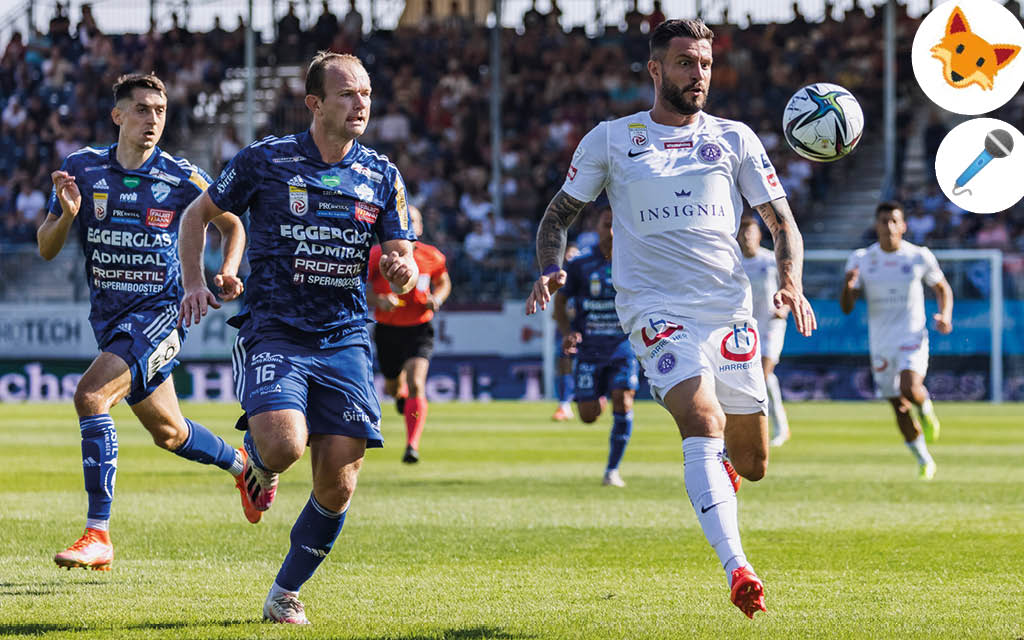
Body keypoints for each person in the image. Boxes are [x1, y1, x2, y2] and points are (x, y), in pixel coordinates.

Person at [525, 19, 818, 619]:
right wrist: (550, 268)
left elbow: (781, 222)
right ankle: (739, 569)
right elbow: (558, 216)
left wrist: (790, 279)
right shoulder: (611, 140)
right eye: (685, 62)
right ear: (656, 69)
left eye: (705, 63)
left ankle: (719, 480)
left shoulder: (735, 138)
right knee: (701, 419)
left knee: (753, 464)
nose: (698, 74)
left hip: (729, 311)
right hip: (655, 310)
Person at [178, 51, 418, 625]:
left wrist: (401, 268)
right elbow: (197, 216)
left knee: (339, 478)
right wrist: (194, 281)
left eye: (365, 93)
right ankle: (256, 462)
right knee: (285, 445)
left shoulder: (383, 174)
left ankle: (284, 591)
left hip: (346, 337)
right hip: (276, 331)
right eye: (347, 94)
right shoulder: (266, 160)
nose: (361, 103)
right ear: (314, 103)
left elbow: (400, 250)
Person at [38, 72, 247, 571]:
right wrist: (67, 215)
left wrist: (227, 270)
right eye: (141, 109)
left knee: (90, 396)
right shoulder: (81, 170)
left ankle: (98, 534)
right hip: (110, 321)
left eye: (159, 111)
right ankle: (245, 465)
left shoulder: (181, 177)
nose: (152, 119)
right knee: (170, 433)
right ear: (117, 115)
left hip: (161, 316)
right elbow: (46, 248)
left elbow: (232, 223)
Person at [840, 201, 952, 480]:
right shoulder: (861, 258)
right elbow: (846, 307)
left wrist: (945, 315)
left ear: (903, 226)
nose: (888, 226)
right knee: (898, 406)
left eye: (894, 221)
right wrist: (848, 286)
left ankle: (925, 409)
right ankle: (924, 459)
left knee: (910, 388)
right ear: (876, 226)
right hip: (881, 341)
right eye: (883, 221)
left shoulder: (918, 256)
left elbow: (942, 287)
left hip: (912, 334)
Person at [553, 207, 638, 487]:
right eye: (607, 224)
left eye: (617, 225)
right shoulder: (580, 264)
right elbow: (561, 302)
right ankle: (598, 395)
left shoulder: (634, 261)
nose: (612, 231)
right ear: (597, 228)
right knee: (588, 416)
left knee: (623, 400)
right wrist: (568, 332)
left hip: (622, 347)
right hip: (589, 348)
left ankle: (612, 470)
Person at [366, 204, 451, 464]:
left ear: (422, 227)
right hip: (387, 329)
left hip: (419, 328)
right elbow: (360, 288)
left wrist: (437, 298)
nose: (411, 226)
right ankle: (401, 397)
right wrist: (379, 300)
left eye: (415, 221)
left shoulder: (432, 256)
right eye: (407, 220)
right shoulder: (377, 255)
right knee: (393, 387)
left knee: (417, 383)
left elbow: (444, 282)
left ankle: (411, 445)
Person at [738, 216, 790, 447]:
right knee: (763, 378)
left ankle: (763, 428)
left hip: (771, 324)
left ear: (759, 235)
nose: (747, 238)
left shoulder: (770, 261)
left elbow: (791, 287)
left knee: (761, 373)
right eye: (743, 233)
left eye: (751, 233)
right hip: (743, 328)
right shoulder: (733, 263)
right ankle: (782, 427)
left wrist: (785, 309)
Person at [552, 241, 580, 421]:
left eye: (574, 256)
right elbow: (556, 311)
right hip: (565, 329)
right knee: (563, 364)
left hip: (586, 329)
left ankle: (597, 396)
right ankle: (564, 404)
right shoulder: (559, 281)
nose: (570, 259)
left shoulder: (586, 278)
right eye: (568, 256)